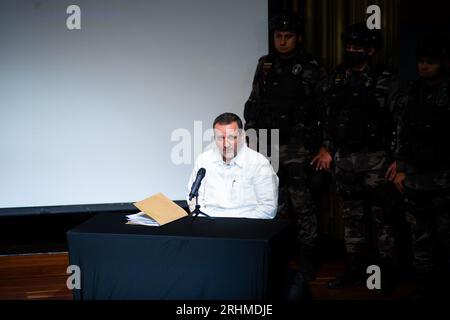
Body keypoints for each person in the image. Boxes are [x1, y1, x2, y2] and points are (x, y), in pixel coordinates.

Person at [243, 12, 328, 295]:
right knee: (272, 202)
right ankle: (277, 256)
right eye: (278, 36)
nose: (282, 41)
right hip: (267, 143)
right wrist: (251, 137)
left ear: (298, 38)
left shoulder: (311, 66)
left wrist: (324, 145)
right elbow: (254, 101)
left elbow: (324, 108)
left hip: (299, 145)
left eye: (288, 36)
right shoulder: (264, 65)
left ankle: (307, 259)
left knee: (303, 204)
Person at [314, 22, 400, 293]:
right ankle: (354, 269)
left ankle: (385, 274)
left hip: (376, 161)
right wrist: (326, 148)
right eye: (348, 47)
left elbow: (400, 120)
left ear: (371, 50)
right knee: (352, 218)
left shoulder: (386, 79)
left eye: (357, 48)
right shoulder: (336, 78)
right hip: (345, 160)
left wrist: (399, 160)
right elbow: (326, 117)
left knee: (382, 218)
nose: (351, 52)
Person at [393, 34, 450, 299]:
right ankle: (425, 285)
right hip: (416, 176)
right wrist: (401, 168)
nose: (424, 67)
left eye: (431, 62)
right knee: (420, 236)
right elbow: (402, 133)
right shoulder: (410, 93)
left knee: (445, 236)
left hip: (444, 177)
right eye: (421, 62)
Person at [187, 112, 278, 219]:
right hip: (209, 226)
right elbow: (193, 199)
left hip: (246, 229)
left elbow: (268, 209)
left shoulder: (259, 163)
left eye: (231, 137)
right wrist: (208, 223)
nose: (226, 144)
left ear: (242, 136)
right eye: (220, 138)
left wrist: (236, 226)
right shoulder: (204, 160)